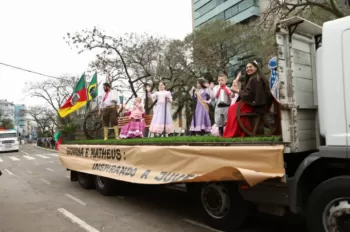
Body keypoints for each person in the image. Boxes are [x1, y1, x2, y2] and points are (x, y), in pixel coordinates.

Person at [223, 61, 272, 138]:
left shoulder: (255, 79)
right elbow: (248, 93)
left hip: (255, 104)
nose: (248, 69)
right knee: (232, 109)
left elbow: (249, 95)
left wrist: (237, 91)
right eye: (247, 67)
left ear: (256, 68)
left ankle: (235, 133)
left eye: (250, 67)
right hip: (253, 103)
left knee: (232, 109)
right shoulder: (254, 78)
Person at [208, 72, 234, 136]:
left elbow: (231, 96)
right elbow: (214, 97)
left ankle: (228, 133)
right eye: (219, 80)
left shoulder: (228, 89)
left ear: (226, 80)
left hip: (226, 107)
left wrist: (231, 93)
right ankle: (220, 133)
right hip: (219, 107)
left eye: (222, 80)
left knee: (227, 120)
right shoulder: (216, 89)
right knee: (219, 121)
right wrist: (210, 89)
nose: (220, 81)